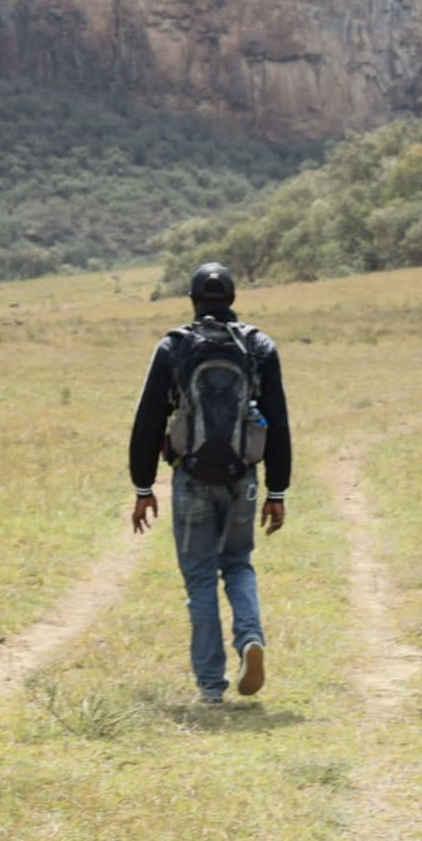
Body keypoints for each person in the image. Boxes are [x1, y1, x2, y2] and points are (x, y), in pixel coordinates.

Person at [130, 262, 291, 704]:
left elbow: (148, 420)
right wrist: (277, 491)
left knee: (200, 577)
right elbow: (277, 422)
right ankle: (250, 639)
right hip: (244, 479)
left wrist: (143, 486)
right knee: (238, 563)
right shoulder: (259, 346)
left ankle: (210, 686)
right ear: (233, 300)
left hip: (192, 476)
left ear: (193, 300)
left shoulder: (174, 347)